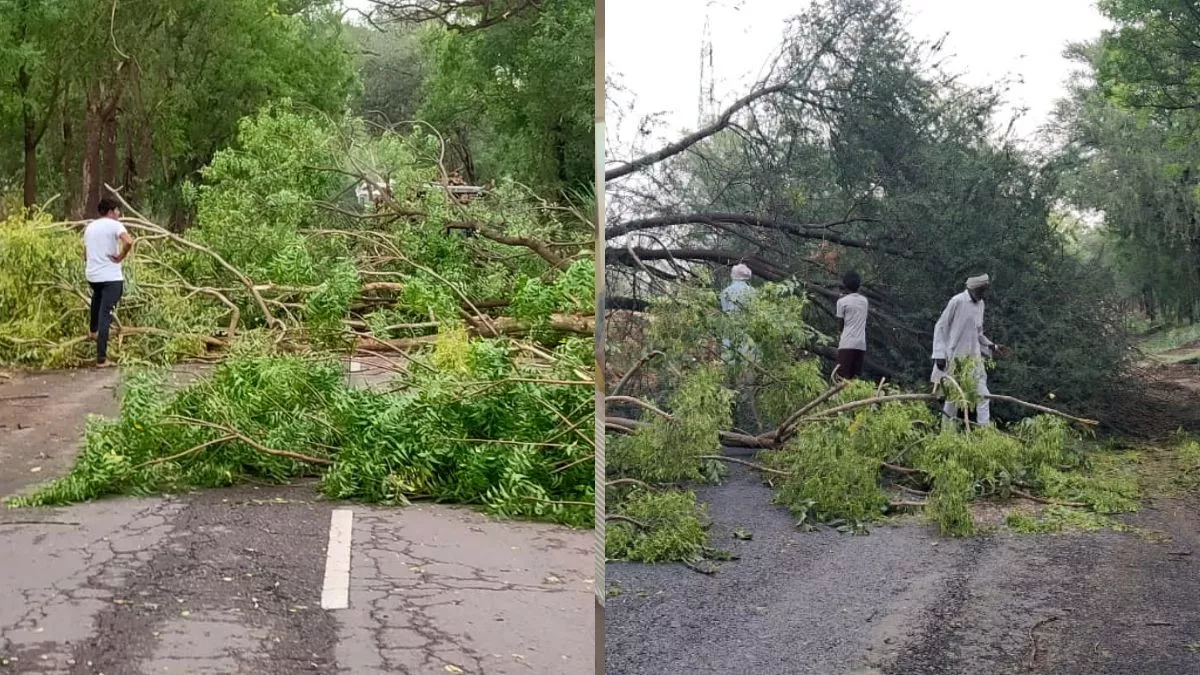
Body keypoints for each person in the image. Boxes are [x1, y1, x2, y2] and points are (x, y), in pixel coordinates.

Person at [930, 274, 1007, 427]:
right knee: (952, 397)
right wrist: (939, 354)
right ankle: (946, 434)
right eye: (981, 291)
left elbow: (978, 333)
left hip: (974, 359)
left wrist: (992, 346)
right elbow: (940, 326)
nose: (983, 294)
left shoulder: (981, 304)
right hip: (955, 357)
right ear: (974, 289)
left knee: (983, 395)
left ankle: (984, 433)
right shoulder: (957, 301)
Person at [83, 198, 134, 367]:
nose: (119, 214)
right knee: (106, 314)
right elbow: (129, 241)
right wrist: (120, 257)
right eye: (117, 211)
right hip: (111, 278)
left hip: (93, 276)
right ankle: (101, 359)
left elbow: (86, 253)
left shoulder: (90, 227)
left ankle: (93, 331)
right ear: (111, 211)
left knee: (97, 298)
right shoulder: (114, 225)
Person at [834, 270, 869, 379]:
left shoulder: (842, 302)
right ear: (858, 286)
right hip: (861, 345)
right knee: (855, 379)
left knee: (840, 378)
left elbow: (840, 325)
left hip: (847, 343)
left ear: (844, 285)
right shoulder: (864, 301)